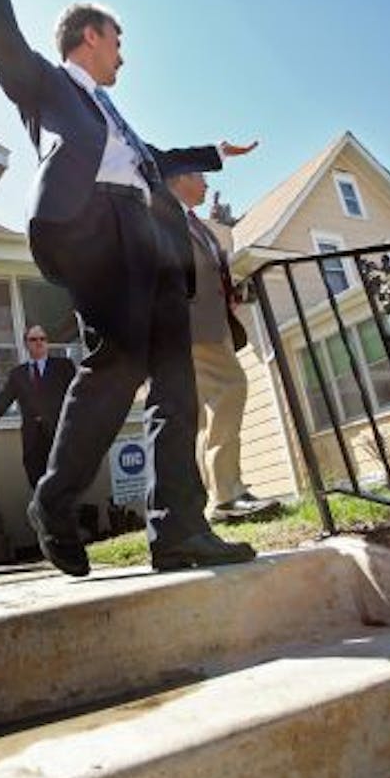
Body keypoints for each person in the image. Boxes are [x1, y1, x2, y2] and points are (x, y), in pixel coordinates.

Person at [0, 0, 261, 576]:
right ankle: (54, 502)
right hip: (91, 233)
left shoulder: (114, 118)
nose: (124, 52)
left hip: (150, 241)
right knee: (115, 369)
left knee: (174, 382)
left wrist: (213, 152)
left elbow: (151, 156)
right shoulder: (49, 88)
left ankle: (177, 528)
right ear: (89, 37)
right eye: (117, 39)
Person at [166, 171, 284, 522]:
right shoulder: (164, 216)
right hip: (195, 325)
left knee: (209, 412)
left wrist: (230, 293)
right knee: (231, 388)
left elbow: (209, 268)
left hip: (213, 322)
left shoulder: (196, 224)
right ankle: (227, 495)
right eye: (200, 176)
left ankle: (219, 497)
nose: (206, 184)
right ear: (180, 178)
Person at [0, 324, 77, 488]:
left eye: (43, 339)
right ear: (26, 344)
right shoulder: (18, 374)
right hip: (33, 442)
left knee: (62, 490)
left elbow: (79, 395)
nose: (39, 342)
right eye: (33, 339)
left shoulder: (64, 367)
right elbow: (2, 401)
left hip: (59, 439)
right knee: (38, 488)